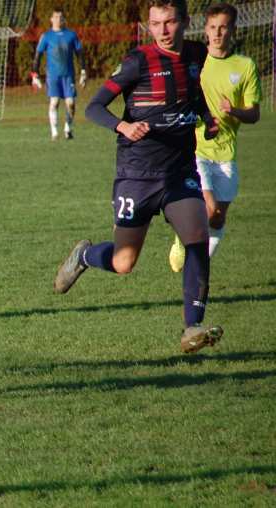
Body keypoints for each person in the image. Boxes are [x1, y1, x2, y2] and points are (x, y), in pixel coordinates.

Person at [54, 0, 224, 354]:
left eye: (169, 22)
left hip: (178, 171)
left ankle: (192, 327)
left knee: (197, 236)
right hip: (137, 175)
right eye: (155, 23)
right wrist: (124, 125)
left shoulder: (196, 53)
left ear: (184, 22)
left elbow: (192, 95)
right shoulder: (138, 62)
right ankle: (85, 257)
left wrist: (207, 118)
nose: (162, 30)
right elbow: (94, 107)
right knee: (123, 262)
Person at [168, 2, 260, 272]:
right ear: (205, 30)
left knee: (218, 218)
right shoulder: (194, 59)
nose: (217, 33)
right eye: (212, 27)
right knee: (207, 211)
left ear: (232, 29)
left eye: (223, 27)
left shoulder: (244, 66)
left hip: (227, 153)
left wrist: (234, 111)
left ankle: (197, 261)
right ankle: (190, 257)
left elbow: (254, 114)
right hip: (195, 149)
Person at [31, 8, 86, 140]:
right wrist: (35, 74)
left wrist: (83, 72)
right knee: (54, 102)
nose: (58, 19)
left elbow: (79, 54)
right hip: (53, 76)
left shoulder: (71, 35)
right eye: (55, 17)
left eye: (60, 17)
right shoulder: (46, 36)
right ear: (51, 19)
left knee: (71, 103)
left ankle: (68, 128)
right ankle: (54, 132)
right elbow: (37, 56)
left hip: (68, 75)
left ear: (63, 20)